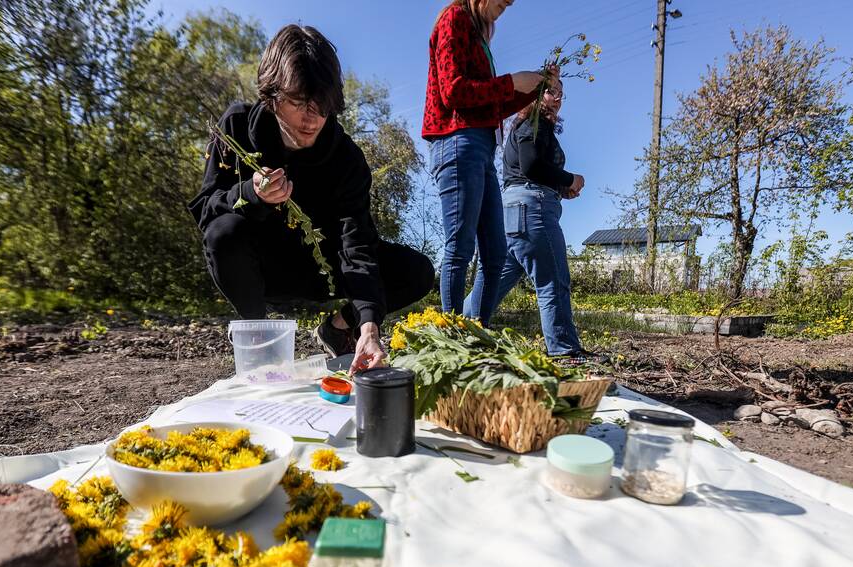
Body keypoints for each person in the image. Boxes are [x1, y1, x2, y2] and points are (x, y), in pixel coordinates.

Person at [188, 25, 434, 372]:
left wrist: (369, 325)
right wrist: (251, 194)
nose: (312, 118)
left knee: (416, 271)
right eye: (299, 103)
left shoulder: (347, 159)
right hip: (263, 269)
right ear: (272, 95)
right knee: (222, 232)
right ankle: (259, 340)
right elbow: (204, 209)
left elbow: (357, 245)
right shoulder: (237, 128)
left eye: (323, 105)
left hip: (324, 271)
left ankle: (338, 329)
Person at [422, 0, 549, 326]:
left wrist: (533, 89)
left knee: (495, 253)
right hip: (456, 142)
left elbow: (489, 106)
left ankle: (477, 332)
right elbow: (454, 92)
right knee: (460, 247)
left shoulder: (476, 33)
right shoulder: (454, 18)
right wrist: (511, 82)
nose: (509, 2)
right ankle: (451, 336)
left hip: (479, 146)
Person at [465, 78, 589, 359]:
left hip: (509, 213)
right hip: (533, 210)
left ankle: (448, 331)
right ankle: (565, 353)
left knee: (488, 289)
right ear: (534, 94)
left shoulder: (524, 126)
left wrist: (561, 188)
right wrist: (571, 178)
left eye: (561, 94)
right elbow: (532, 166)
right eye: (550, 91)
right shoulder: (536, 122)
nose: (557, 98)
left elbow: (525, 169)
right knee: (553, 280)